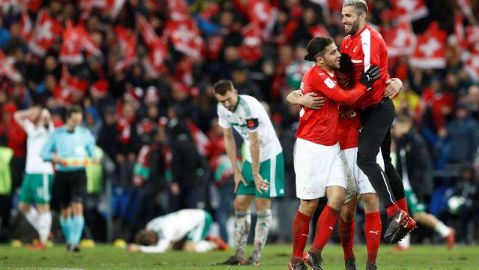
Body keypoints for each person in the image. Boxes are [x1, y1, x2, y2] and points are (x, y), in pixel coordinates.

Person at [286, 36, 381, 270]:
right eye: (332, 52)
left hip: (332, 148)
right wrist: (364, 84)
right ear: (320, 60)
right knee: (308, 205)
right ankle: (295, 260)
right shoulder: (317, 75)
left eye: (337, 50)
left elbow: (295, 94)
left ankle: (314, 253)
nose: (337, 54)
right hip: (310, 147)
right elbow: (344, 97)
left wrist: (297, 96)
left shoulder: (327, 75)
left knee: (338, 197)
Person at [340, 0, 416, 243]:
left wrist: (345, 102)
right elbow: (353, 76)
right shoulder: (347, 41)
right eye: (343, 15)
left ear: (362, 16)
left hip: (376, 108)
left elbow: (370, 80)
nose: (344, 20)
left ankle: (395, 212)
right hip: (368, 109)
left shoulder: (369, 39)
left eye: (349, 15)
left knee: (365, 159)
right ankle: (406, 216)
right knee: (385, 162)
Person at [214, 79, 285, 266]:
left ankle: (256, 257)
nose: (226, 104)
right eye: (222, 101)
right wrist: (236, 170)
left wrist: (254, 173)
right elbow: (228, 139)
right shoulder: (222, 110)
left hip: (269, 156)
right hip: (251, 159)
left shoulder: (249, 107)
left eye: (228, 99)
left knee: (262, 203)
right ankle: (238, 255)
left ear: (235, 92)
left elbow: (254, 141)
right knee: (240, 203)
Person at [392, 115, 455, 250]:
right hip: (405, 185)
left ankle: (446, 231)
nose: (394, 130)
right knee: (404, 213)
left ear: (406, 125)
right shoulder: (402, 142)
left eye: (395, 126)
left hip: (415, 186)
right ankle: (404, 244)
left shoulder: (416, 141)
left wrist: (422, 187)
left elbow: (423, 167)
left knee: (418, 215)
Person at [41, 105, 96, 252]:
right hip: (62, 173)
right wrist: (55, 158)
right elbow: (44, 153)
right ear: (68, 119)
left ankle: (74, 242)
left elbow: (92, 152)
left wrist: (93, 157)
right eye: (74, 121)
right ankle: (70, 240)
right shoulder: (57, 134)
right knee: (65, 211)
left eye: (79, 121)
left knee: (78, 206)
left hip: (79, 173)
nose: (77, 124)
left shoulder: (85, 133)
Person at [14, 107, 54, 249]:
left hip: (42, 172)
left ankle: (42, 241)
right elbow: (16, 115)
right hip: (30, 172)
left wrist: (44, 114)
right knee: (23, 206)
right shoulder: (31, 129)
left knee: (42, 206)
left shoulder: (48, 129)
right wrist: (30, 111)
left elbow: (47, 119)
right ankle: (44, 229)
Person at [127, 209, 227, 253]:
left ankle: (212, 244)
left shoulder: (166, 232)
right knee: (175, 247)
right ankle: (203, 238)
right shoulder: (151, 224)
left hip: (201, 218)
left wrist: (140, 249)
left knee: (188, 249)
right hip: (190, 216)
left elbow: (160, 250)